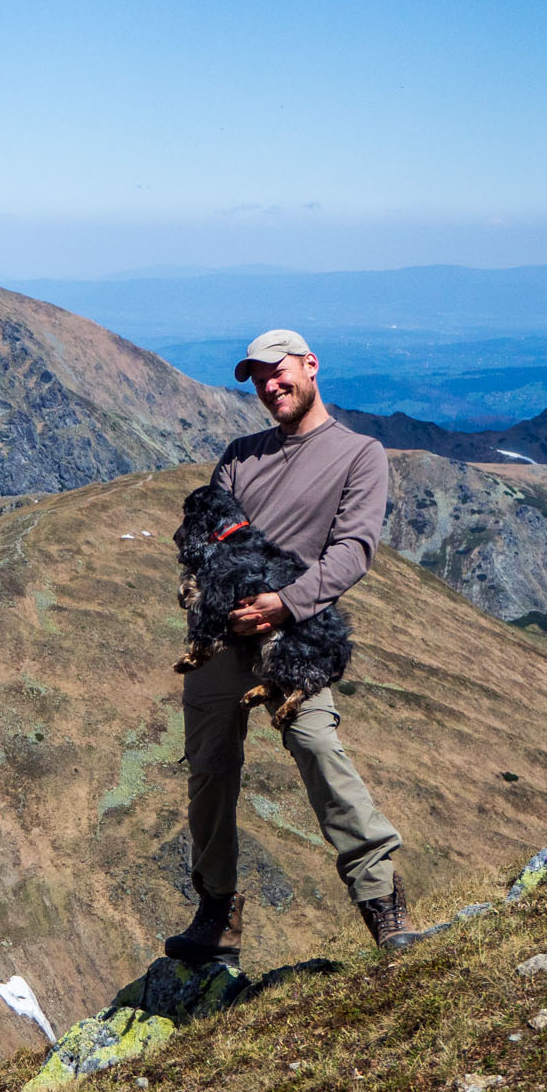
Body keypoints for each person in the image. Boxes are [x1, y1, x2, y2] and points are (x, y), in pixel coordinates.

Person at [164, 328, 421, 965]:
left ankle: (383, 902)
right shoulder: (238, 455)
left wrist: (286, 604)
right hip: (224, 634)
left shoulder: (360, 454)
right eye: (256, 378)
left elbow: (354, 550)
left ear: (310, 366)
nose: (268, 386)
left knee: (316, 745)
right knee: (208, 771)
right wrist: (206, 602)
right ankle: (216, 916)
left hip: (293, 634)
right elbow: (208, 537)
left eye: (278, 372)